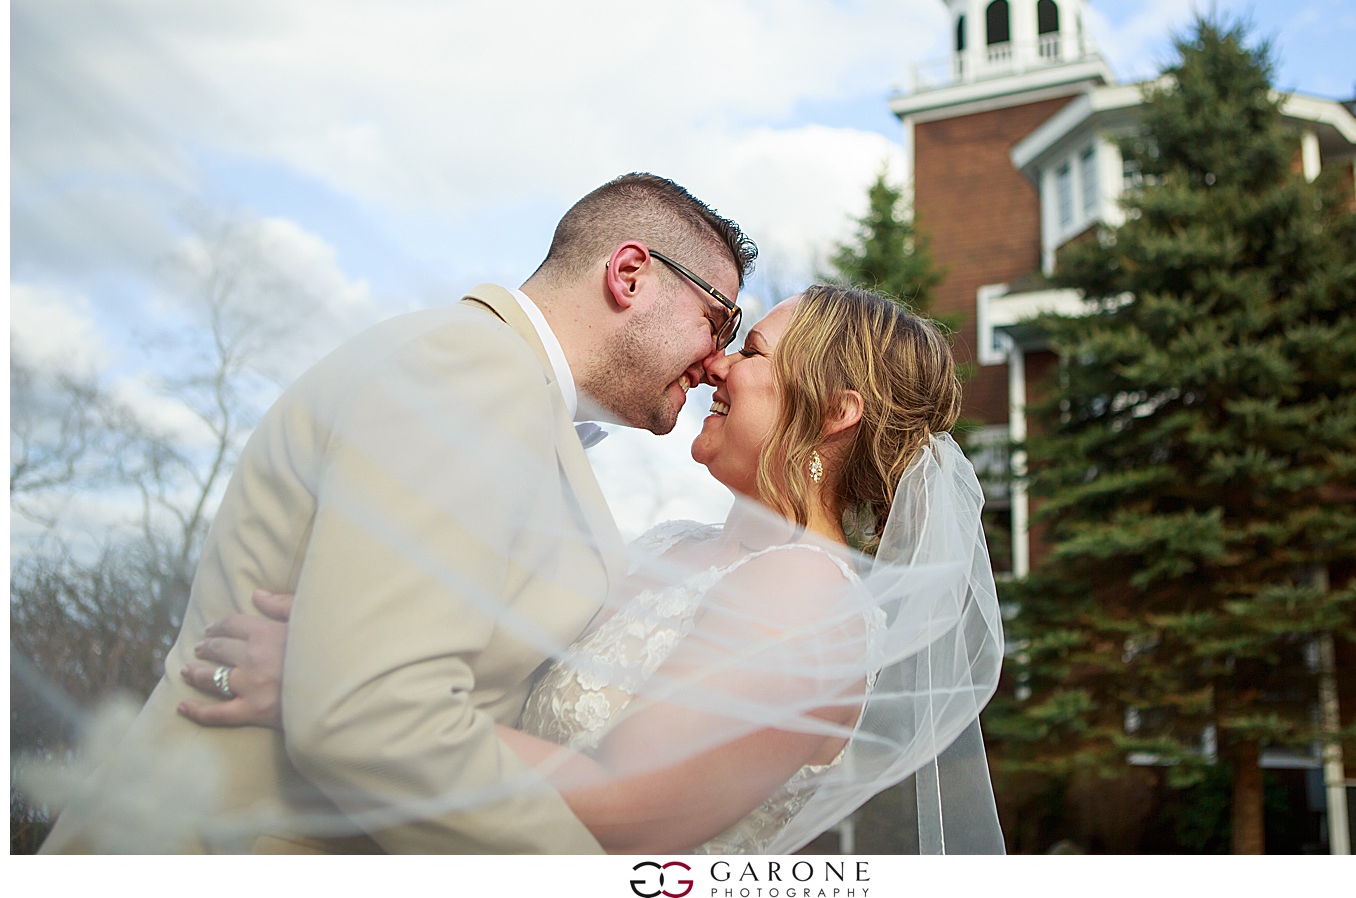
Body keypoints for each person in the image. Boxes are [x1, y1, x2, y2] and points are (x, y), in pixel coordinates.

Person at [38, 173, 758, 854]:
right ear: (629, 274)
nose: (717, 360)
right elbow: (372, 713)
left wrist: (325, 671)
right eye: (717, 319)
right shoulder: (472, 371)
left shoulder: (490, 378)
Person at [180, 285, 1006, 854]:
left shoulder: (806, 597)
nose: (717, 366)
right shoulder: (670, 546)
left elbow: (627, 809)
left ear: (834, 411)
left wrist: (338, 686)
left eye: (751, 352)